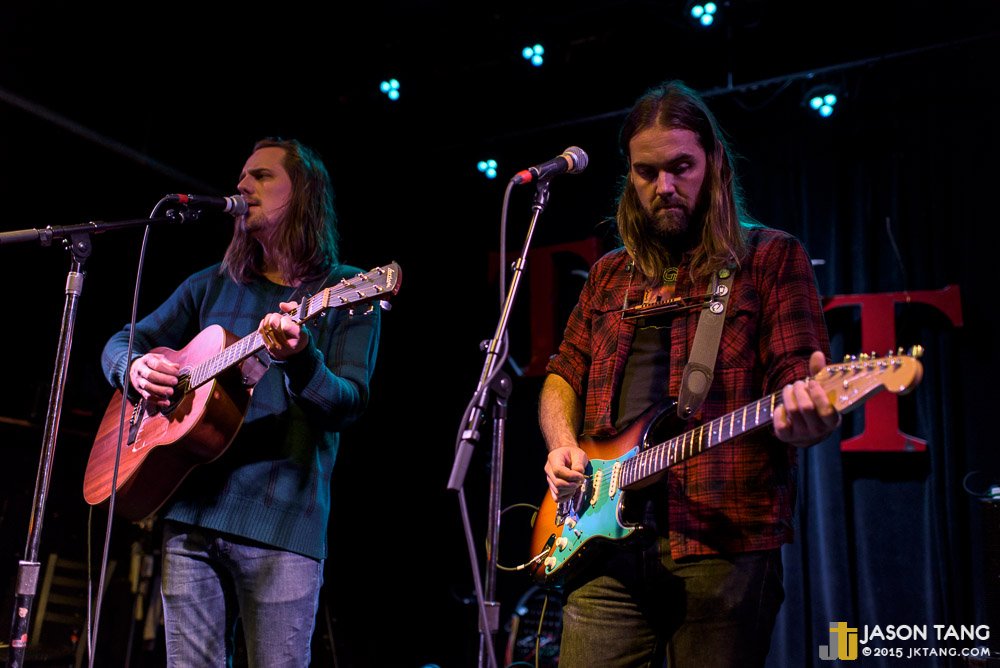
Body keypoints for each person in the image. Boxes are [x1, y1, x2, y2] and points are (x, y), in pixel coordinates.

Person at [539, 80, 840, 667]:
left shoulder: (770, 258)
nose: (665, 187)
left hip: (721, 546)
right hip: (599, 544)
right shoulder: (607, 276)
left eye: (681, 167)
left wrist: (809, 416)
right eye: (647, 173)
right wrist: (562, 445)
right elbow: (562, 375)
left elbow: (795, 380)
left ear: (715, 163)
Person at [101, 137, 381, 666]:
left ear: (303, 195)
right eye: (242, 177)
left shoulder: (348, 291)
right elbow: (121, 341)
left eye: (262, 176)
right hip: (190, 515)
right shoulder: (212, 283)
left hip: (283, 529)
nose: (242, 186)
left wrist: (301, 359)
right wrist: (132, 369)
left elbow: (348, 403)